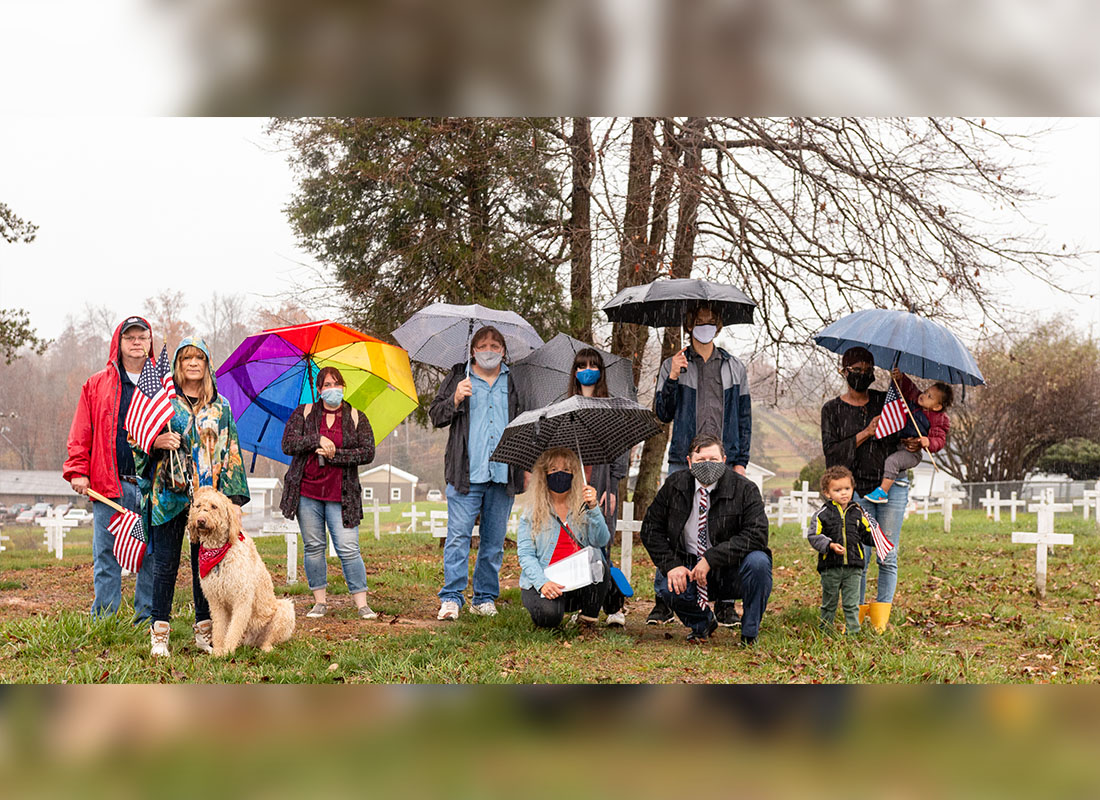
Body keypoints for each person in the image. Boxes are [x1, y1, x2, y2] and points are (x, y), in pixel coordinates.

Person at [133, 336, 249, 657]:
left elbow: (231, 453)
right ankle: (159, 633)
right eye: (187, 358)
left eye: (199, 358)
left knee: (207, 567)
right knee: (166, 564)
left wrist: (231, 500)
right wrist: (156, 442)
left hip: (207, 500)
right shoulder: (164, 401)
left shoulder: (221, 406)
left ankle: (205, 631)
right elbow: (136, 437)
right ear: (178, 364)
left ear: (207, 365)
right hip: (168, 495)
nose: (193, 363)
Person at [647, 303, 752, 628]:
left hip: (723, 458)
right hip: (683, 456)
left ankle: (724, 604)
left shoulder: (734, 366)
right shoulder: (673, 363)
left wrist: (740, 461)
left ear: (717, 327)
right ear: (689, 325)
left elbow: (744, 417)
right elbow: (662, 413)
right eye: (699, 322)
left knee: (726, 526)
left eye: (710, 322)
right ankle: (665, 600)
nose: (705, 326)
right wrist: (674, 375)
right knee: (672, 527)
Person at [63, 316, 157, 621]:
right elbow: (81, 431)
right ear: (119, 342)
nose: (136, 342)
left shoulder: (161, 385)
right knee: (106, 555)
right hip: (108, 485)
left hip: (150, 488)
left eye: (142, 337)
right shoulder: (96, 384)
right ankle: (104, 619)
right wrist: (78, 470)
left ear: (149, 342)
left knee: (150, 555)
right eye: (129, 337)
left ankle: (146, 619)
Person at [429, 325, 524, 620]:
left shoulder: (513, 380)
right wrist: (455, 398)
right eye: (483, 345)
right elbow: (435, 416)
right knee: (458, 537)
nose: (489, 350)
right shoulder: (460, 376)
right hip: (465, 474)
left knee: (494, 542)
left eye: (496, 346)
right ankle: (451, 598)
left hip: (502, 473)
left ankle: (484, 597)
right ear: (473, 350)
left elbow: (524, 424)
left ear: (504, 351)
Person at [639, 434, 772, 645]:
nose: (707, 465)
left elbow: (757, 534)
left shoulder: (745, 489)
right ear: (689, 462)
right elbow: (650, 528)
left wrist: (711, 558)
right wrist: (672, 565)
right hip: (690, 565)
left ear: (724, 460)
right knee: (668, 587)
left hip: (732, 567)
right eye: (701, 460)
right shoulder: (674, 485)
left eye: (714, 460)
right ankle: (702, 623)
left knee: (759, 563)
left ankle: (749, 633)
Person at [820, 346, 921, 620]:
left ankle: (881, 619)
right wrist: (866, 432)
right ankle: (858, 612)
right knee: (858, 557)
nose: (863, 376)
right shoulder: (832, 410)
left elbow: (906, 425)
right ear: (844, 372)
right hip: (855, 493)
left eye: (868, 371)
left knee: (887, 554)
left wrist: (912, 440)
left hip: (890, 488)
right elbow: (832, 453)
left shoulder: (885, 401)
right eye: (856, 371)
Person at [280, 366, 377, 620]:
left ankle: (362, 603)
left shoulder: (357, 416)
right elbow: (288, 443)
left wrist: (336, 456)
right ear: (319, 389)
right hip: (307, 492)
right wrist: (316, 440)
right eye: (327, 385)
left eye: (337, 384)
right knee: (313, 547)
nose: (333, 389)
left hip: (342, 495)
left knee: (348, 548)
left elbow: (367, 452)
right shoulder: (304, 413)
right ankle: (320, 602)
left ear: (343, 387)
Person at [516, 448, 619, 628]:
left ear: (574, 474)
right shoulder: (531, 512)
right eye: (553, 470)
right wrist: (542, 583)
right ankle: (552, 609)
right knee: (549, 618)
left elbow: (602, 540)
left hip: (576, 579)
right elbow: (525, 555)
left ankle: (587, 620)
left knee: (599, 566)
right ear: (544, 474)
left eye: (566, 470)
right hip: (544, 580)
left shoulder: (584, 506)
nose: (560, 474)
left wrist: (594, 508)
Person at [566, 347, 628, 627]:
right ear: (575, 372)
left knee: (602, 544)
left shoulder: (611, 407)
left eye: (593, 365)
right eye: (581, 365)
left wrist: (612, 485)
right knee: (577, 544)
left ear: (601, 371)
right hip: (574, 485)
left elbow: (620, 448)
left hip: (602, 484)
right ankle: (582, 603)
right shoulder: (567, 406)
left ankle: (614, 605)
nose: (586, 370)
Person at [806, 466, 882, 635]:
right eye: (837, 490)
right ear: (827, 493)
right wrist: (829, 545)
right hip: (830, 566)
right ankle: (825, 631)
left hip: (854, 567)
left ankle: (853, 632)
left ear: (853, 489)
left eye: (847, 489)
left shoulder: (857, 512)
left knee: (851, 603)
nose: (843, 493)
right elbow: (813, 535)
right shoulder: (822, 514)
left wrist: (878, 540)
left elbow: (866, 533)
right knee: (829, 602)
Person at [864, 368, 953, 504]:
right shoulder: (915, 401)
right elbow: (909, 388)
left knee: (892, 462)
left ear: (937, 407)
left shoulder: (938, 419)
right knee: (885, 457)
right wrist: (900, 377)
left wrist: (928, 441)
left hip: (912, 453)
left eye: (930, 396)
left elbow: (939, 440)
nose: (924, 395)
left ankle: (882, 492)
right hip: (899, 444)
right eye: (926, 392)